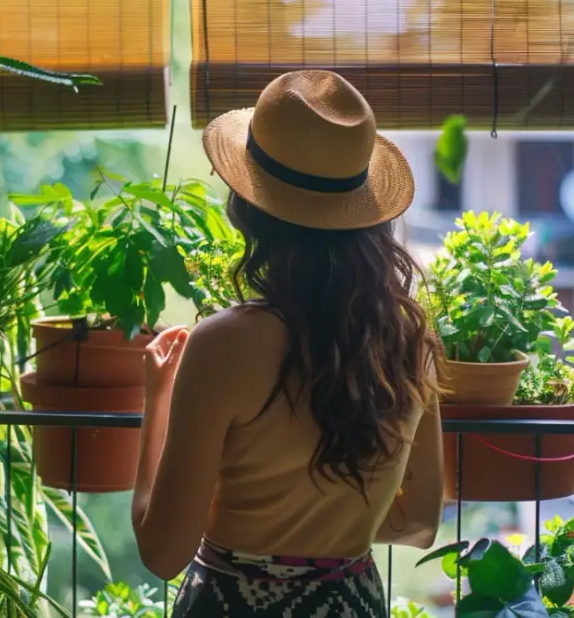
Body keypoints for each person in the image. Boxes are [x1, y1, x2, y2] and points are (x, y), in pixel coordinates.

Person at [130, 70, 446, 617]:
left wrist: (156, 399)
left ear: (251, 210)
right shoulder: (410, 343)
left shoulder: (223, 346)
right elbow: (417, 523)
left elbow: (162, 552)